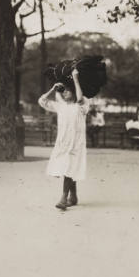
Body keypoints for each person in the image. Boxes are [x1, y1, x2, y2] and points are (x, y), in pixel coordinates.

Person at [38, 68, 89, 210]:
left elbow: (79, 99)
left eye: (67, 90)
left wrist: (76, 79)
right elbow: (42, 101)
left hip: (76, 144)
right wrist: (53, 88)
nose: (64, 92)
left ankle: (63, 198)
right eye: (63, 91)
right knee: (68, 169)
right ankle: (73, 195)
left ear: (74, 91)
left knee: (69, 168)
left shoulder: (82, 107)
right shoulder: (60, 106)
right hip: (63, 143)